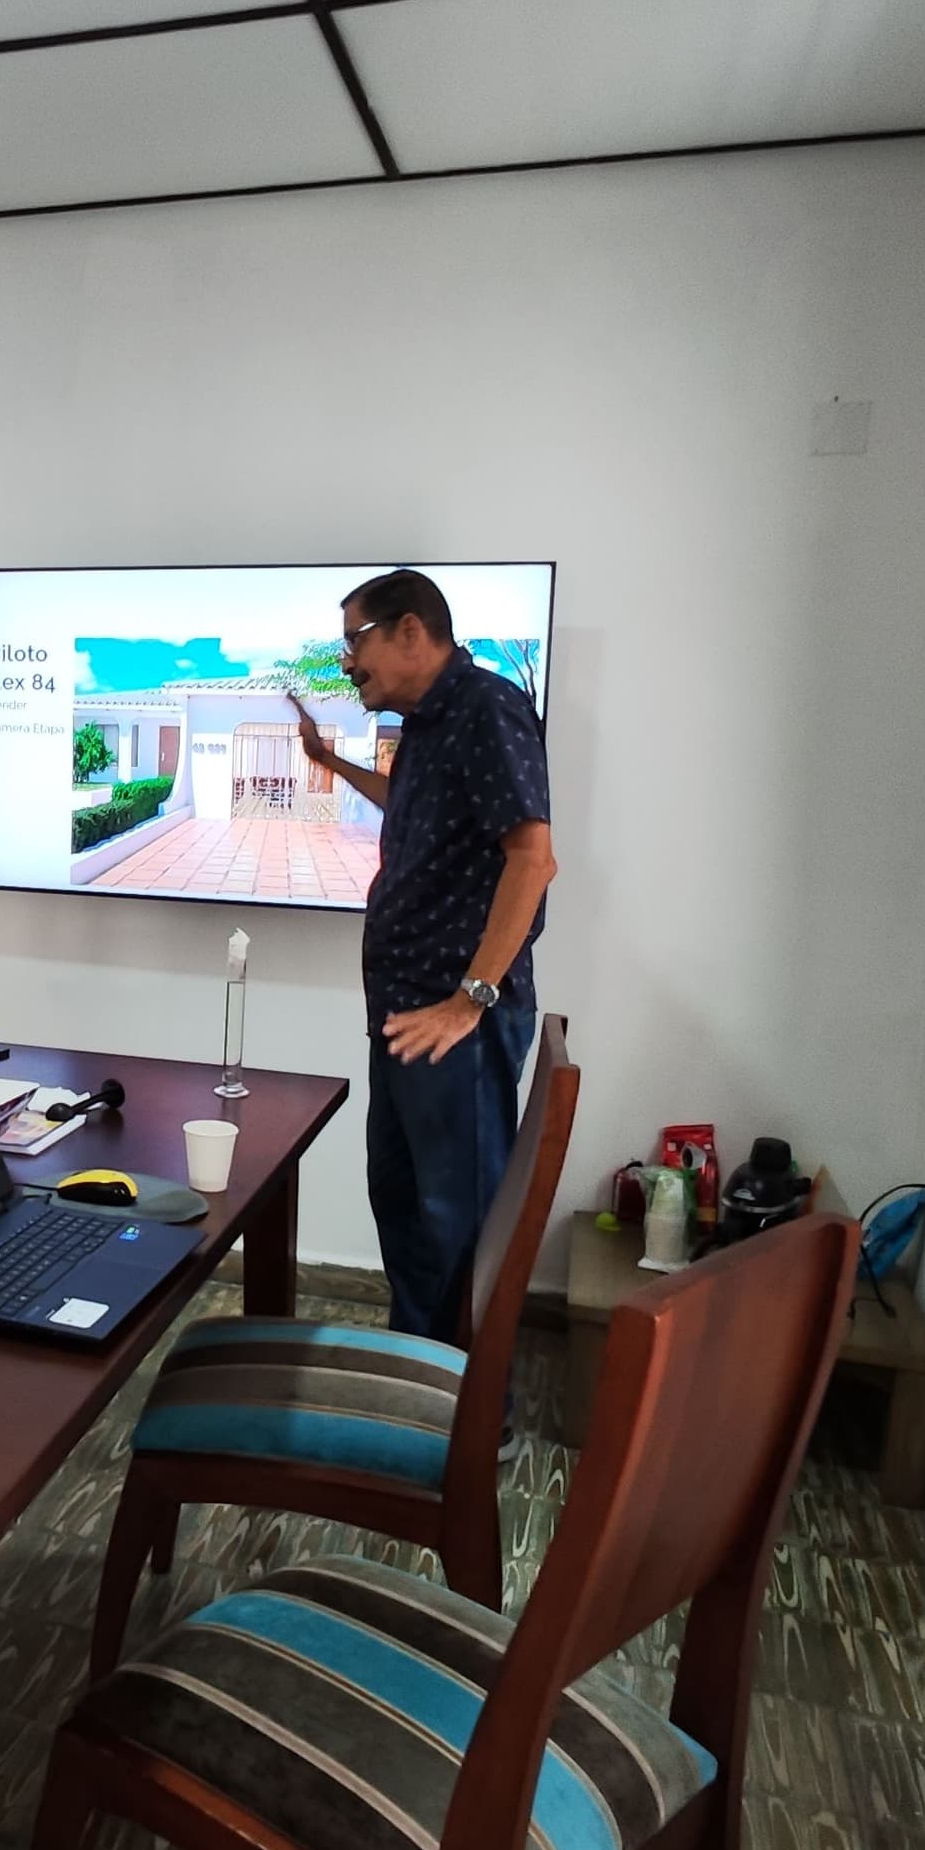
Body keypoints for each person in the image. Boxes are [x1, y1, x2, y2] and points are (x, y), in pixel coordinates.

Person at [291, 569, 558, 1339]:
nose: (347, 661)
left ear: (411, 629)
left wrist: (468, 999)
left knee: (459, 1228)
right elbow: (412, 806)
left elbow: (532, 858)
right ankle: (419, 1381)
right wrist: (331, 761)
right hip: (408, 1015)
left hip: (455, 1027)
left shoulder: (486, 708)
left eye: (355, 640)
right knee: (404, 1208)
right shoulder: (430, 724)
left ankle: (472, 1420)